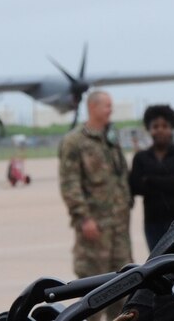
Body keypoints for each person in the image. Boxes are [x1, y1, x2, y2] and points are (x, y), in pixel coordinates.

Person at [58, 90, 132, 320]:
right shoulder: (75, 142)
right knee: (94, 293)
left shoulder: (110, 138)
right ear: (92, 108)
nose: (110, 110)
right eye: (107, 106)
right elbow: (70, 184)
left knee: (123, 288)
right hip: (95, 229)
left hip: (119, 228)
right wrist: (84, 218)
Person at [129, 103, 174, 251]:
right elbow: (136, 187)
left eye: (165, 126)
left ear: (172, 129)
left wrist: (150, 179)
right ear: (149, 130)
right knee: (156, 264)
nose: (160, 130)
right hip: (152, 222)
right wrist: (171, 177)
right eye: (155, 126)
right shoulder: (140, 157)